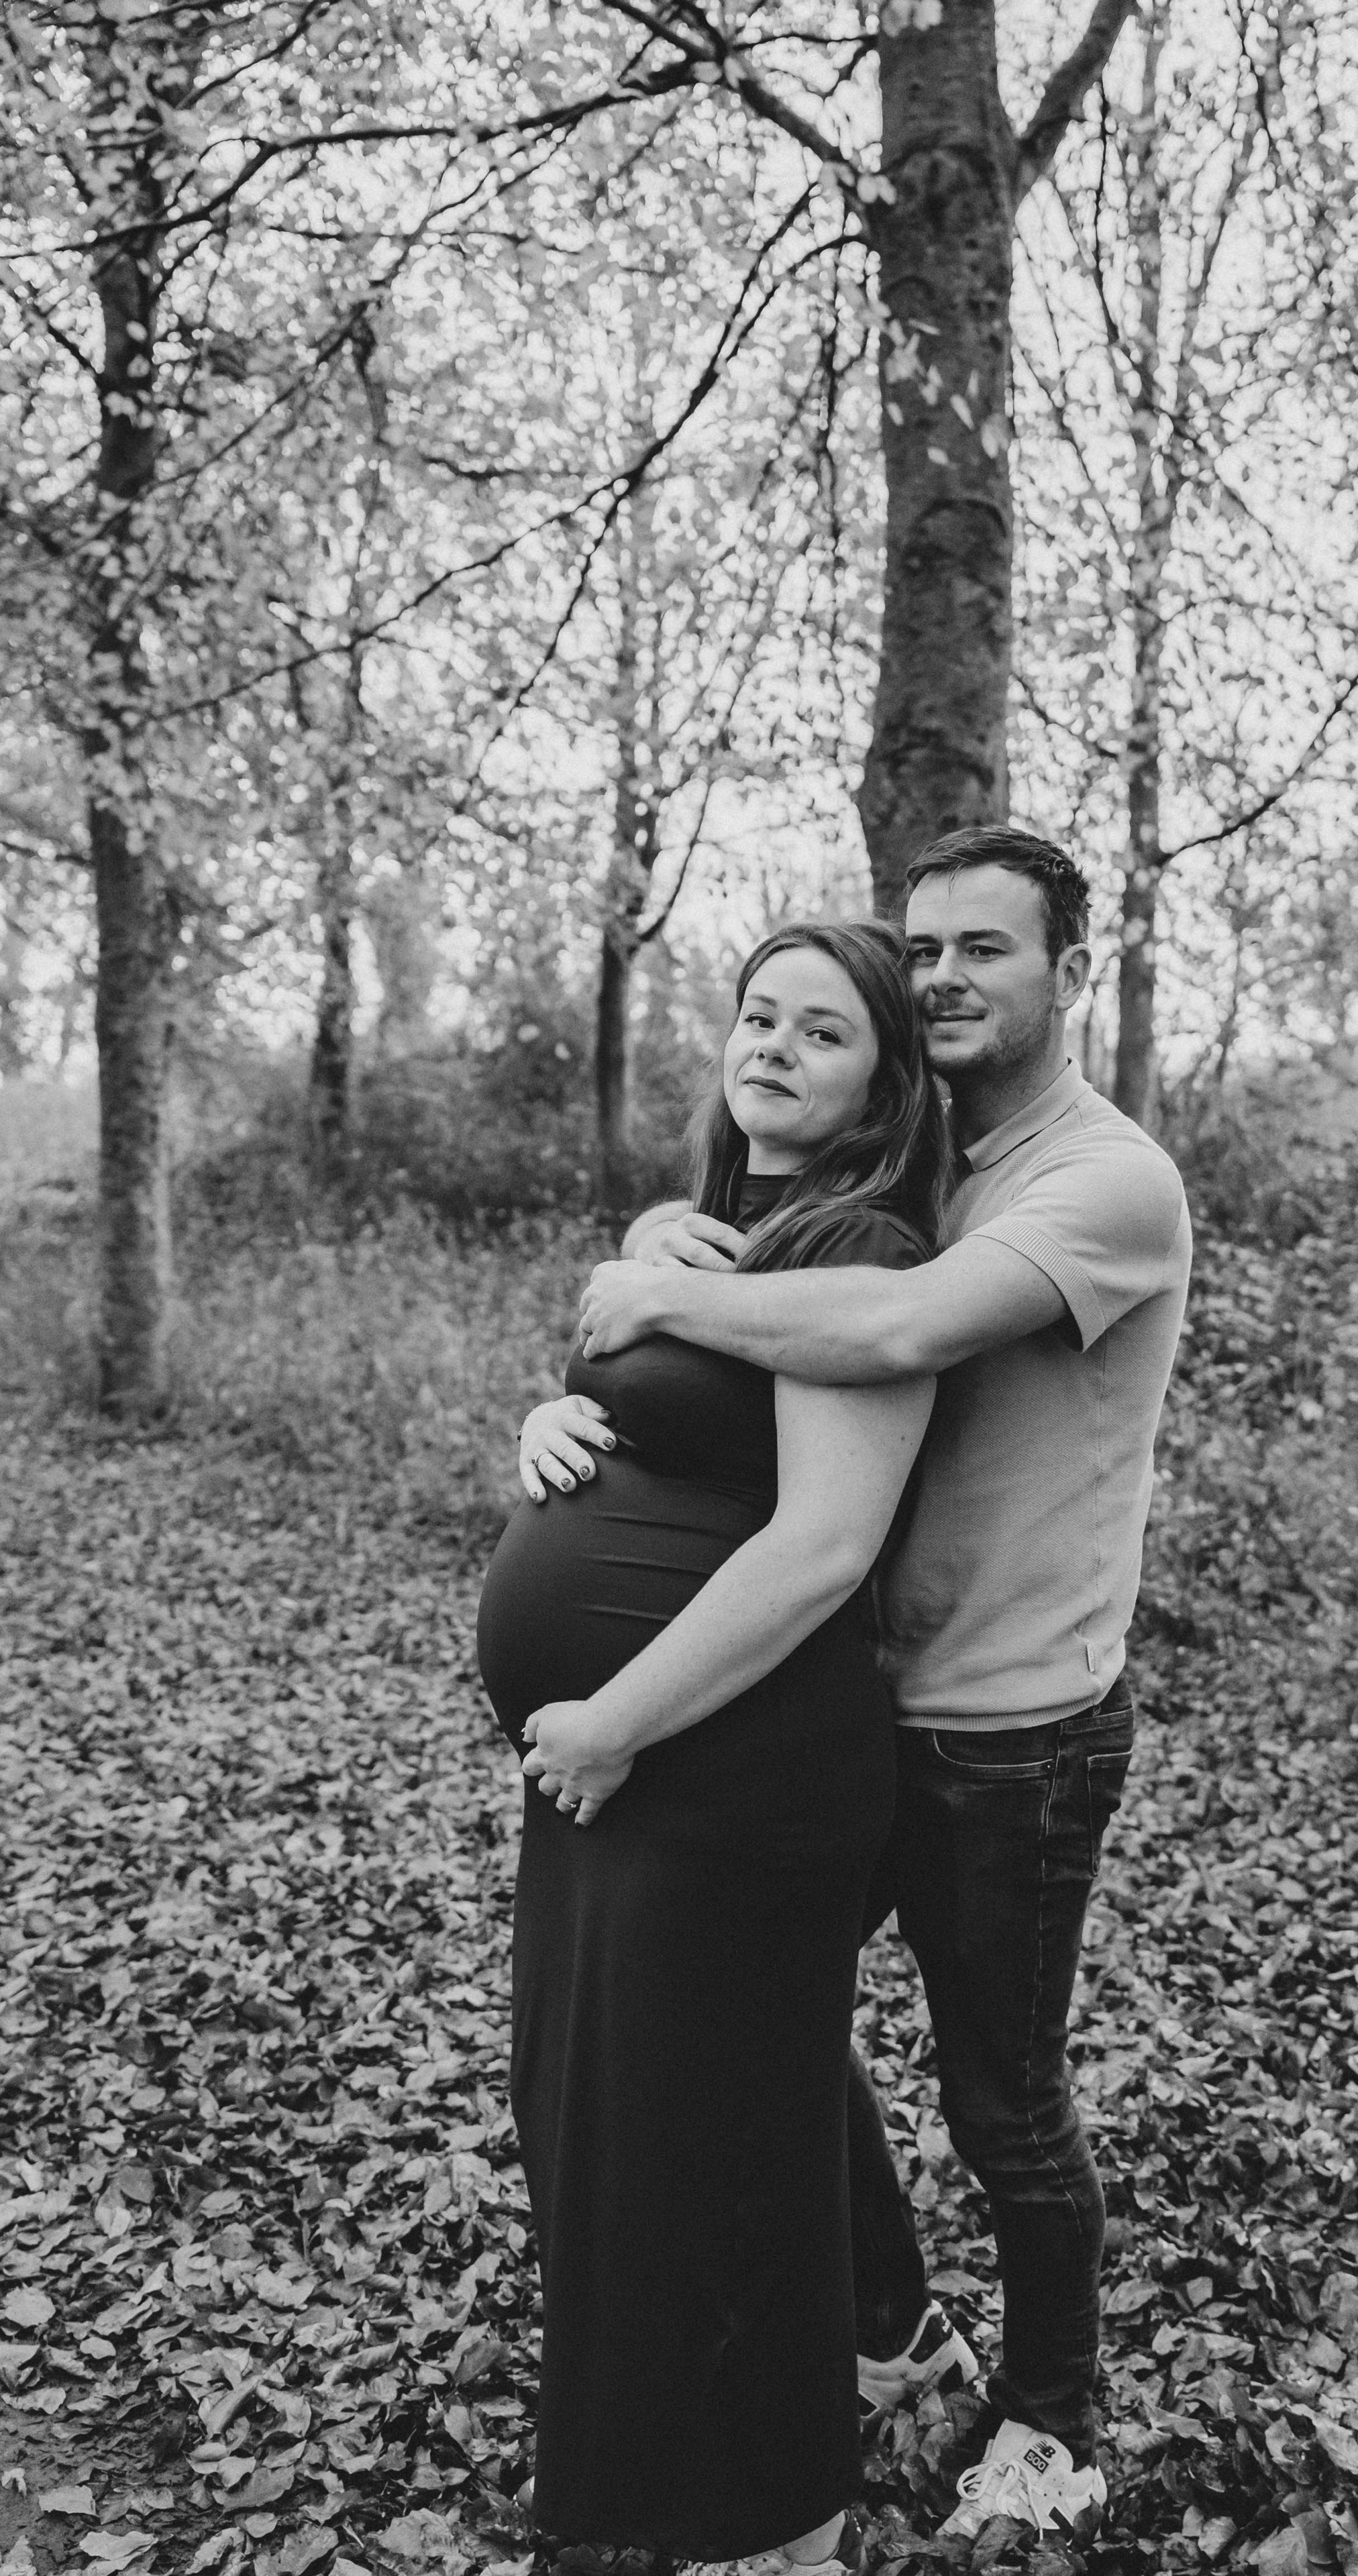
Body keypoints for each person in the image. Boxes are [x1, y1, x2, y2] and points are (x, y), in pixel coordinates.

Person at [537, 826, 1192, 2550]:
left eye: (989, 946)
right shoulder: (929, 1153)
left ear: (1072, 971)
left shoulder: (1097, 1184)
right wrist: (663, 1289)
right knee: (770, 2023)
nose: (947, 976)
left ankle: (1052, 2416)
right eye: (924, 949)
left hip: (1008, 1725)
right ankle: (893, 2330)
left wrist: (670, 1285)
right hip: (847, 1706)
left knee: (1000, 2096)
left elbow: (892, 1331)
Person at [477, 919, 950, 2575]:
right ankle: (831, 2378)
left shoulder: (868, 1254)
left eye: (822, 1035)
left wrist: (613, 1717)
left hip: (726, 1764)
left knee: (703, 2157)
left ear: (886, 1083)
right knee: (621, 2123)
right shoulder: (716, 1231)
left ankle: (772, 2523)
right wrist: (557, 1416)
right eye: (758, 1016)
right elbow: (666, 1438)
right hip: (629, 1768)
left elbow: (821, 1544)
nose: (773, 1048)